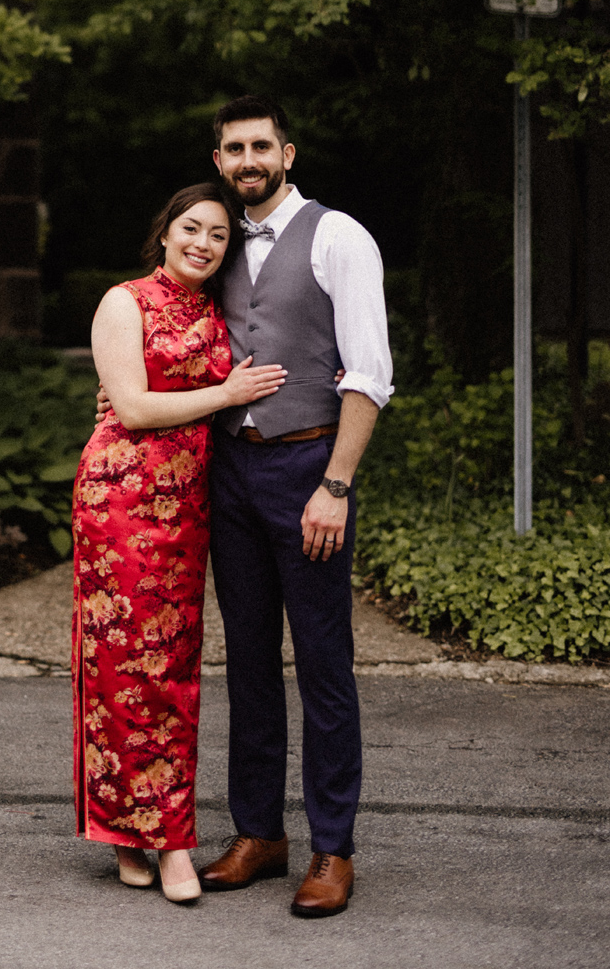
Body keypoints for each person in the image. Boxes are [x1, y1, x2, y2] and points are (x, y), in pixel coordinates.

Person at [194, 94, 393, 918]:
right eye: (234, 149)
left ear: (288, 153)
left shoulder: (339, 236)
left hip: (309, 466)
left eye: (260, 146)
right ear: (219, 162)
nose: (247, 160)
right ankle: (258, 834)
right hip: (230, 474)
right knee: (245, 660)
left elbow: (369, 373)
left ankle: (332, 847)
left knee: (322, 664)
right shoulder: (213, 243)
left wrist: (336, 486)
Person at [74, 182, 285, 904]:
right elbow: (130, 406)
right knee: (123, 668)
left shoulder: (225, 312)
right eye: (190, 228)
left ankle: (133, 832)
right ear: (165, 232)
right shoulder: (123, 301)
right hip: (123, 501)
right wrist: (227, 394)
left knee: (171, 667)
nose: (202, 243)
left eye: (218, 235)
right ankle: (162, 844)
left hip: (193, 500)